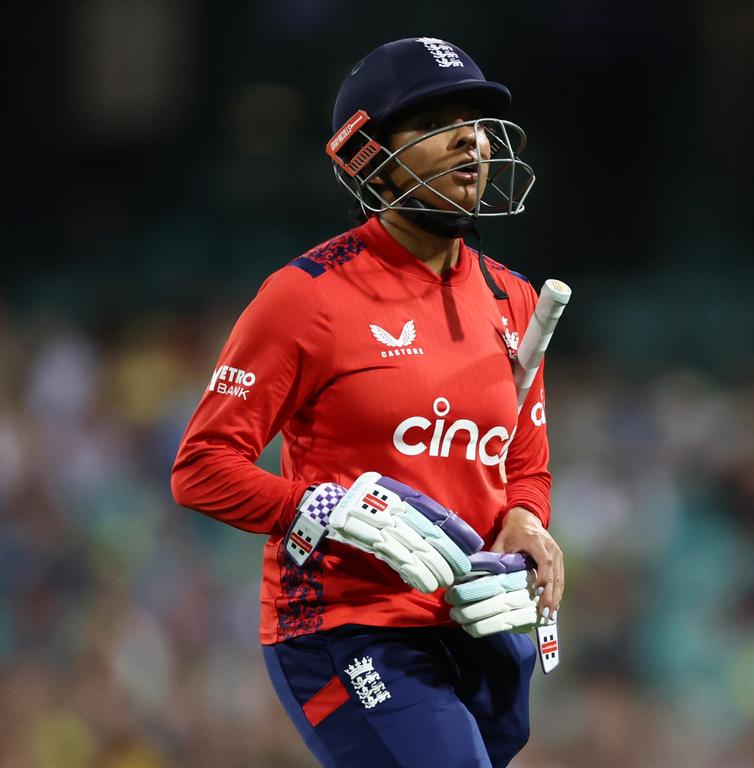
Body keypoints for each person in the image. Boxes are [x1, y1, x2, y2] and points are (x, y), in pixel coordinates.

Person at [170, 36, 564, 768]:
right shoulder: (307, 297)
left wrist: (529, 526)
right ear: (368, 157)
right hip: (345, 627)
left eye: (473, 121)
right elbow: (199, 468)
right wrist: (316, 508)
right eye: (434, 122)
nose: (468, 141)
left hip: (477, 625)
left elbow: (525, 470)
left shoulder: (515, 300)